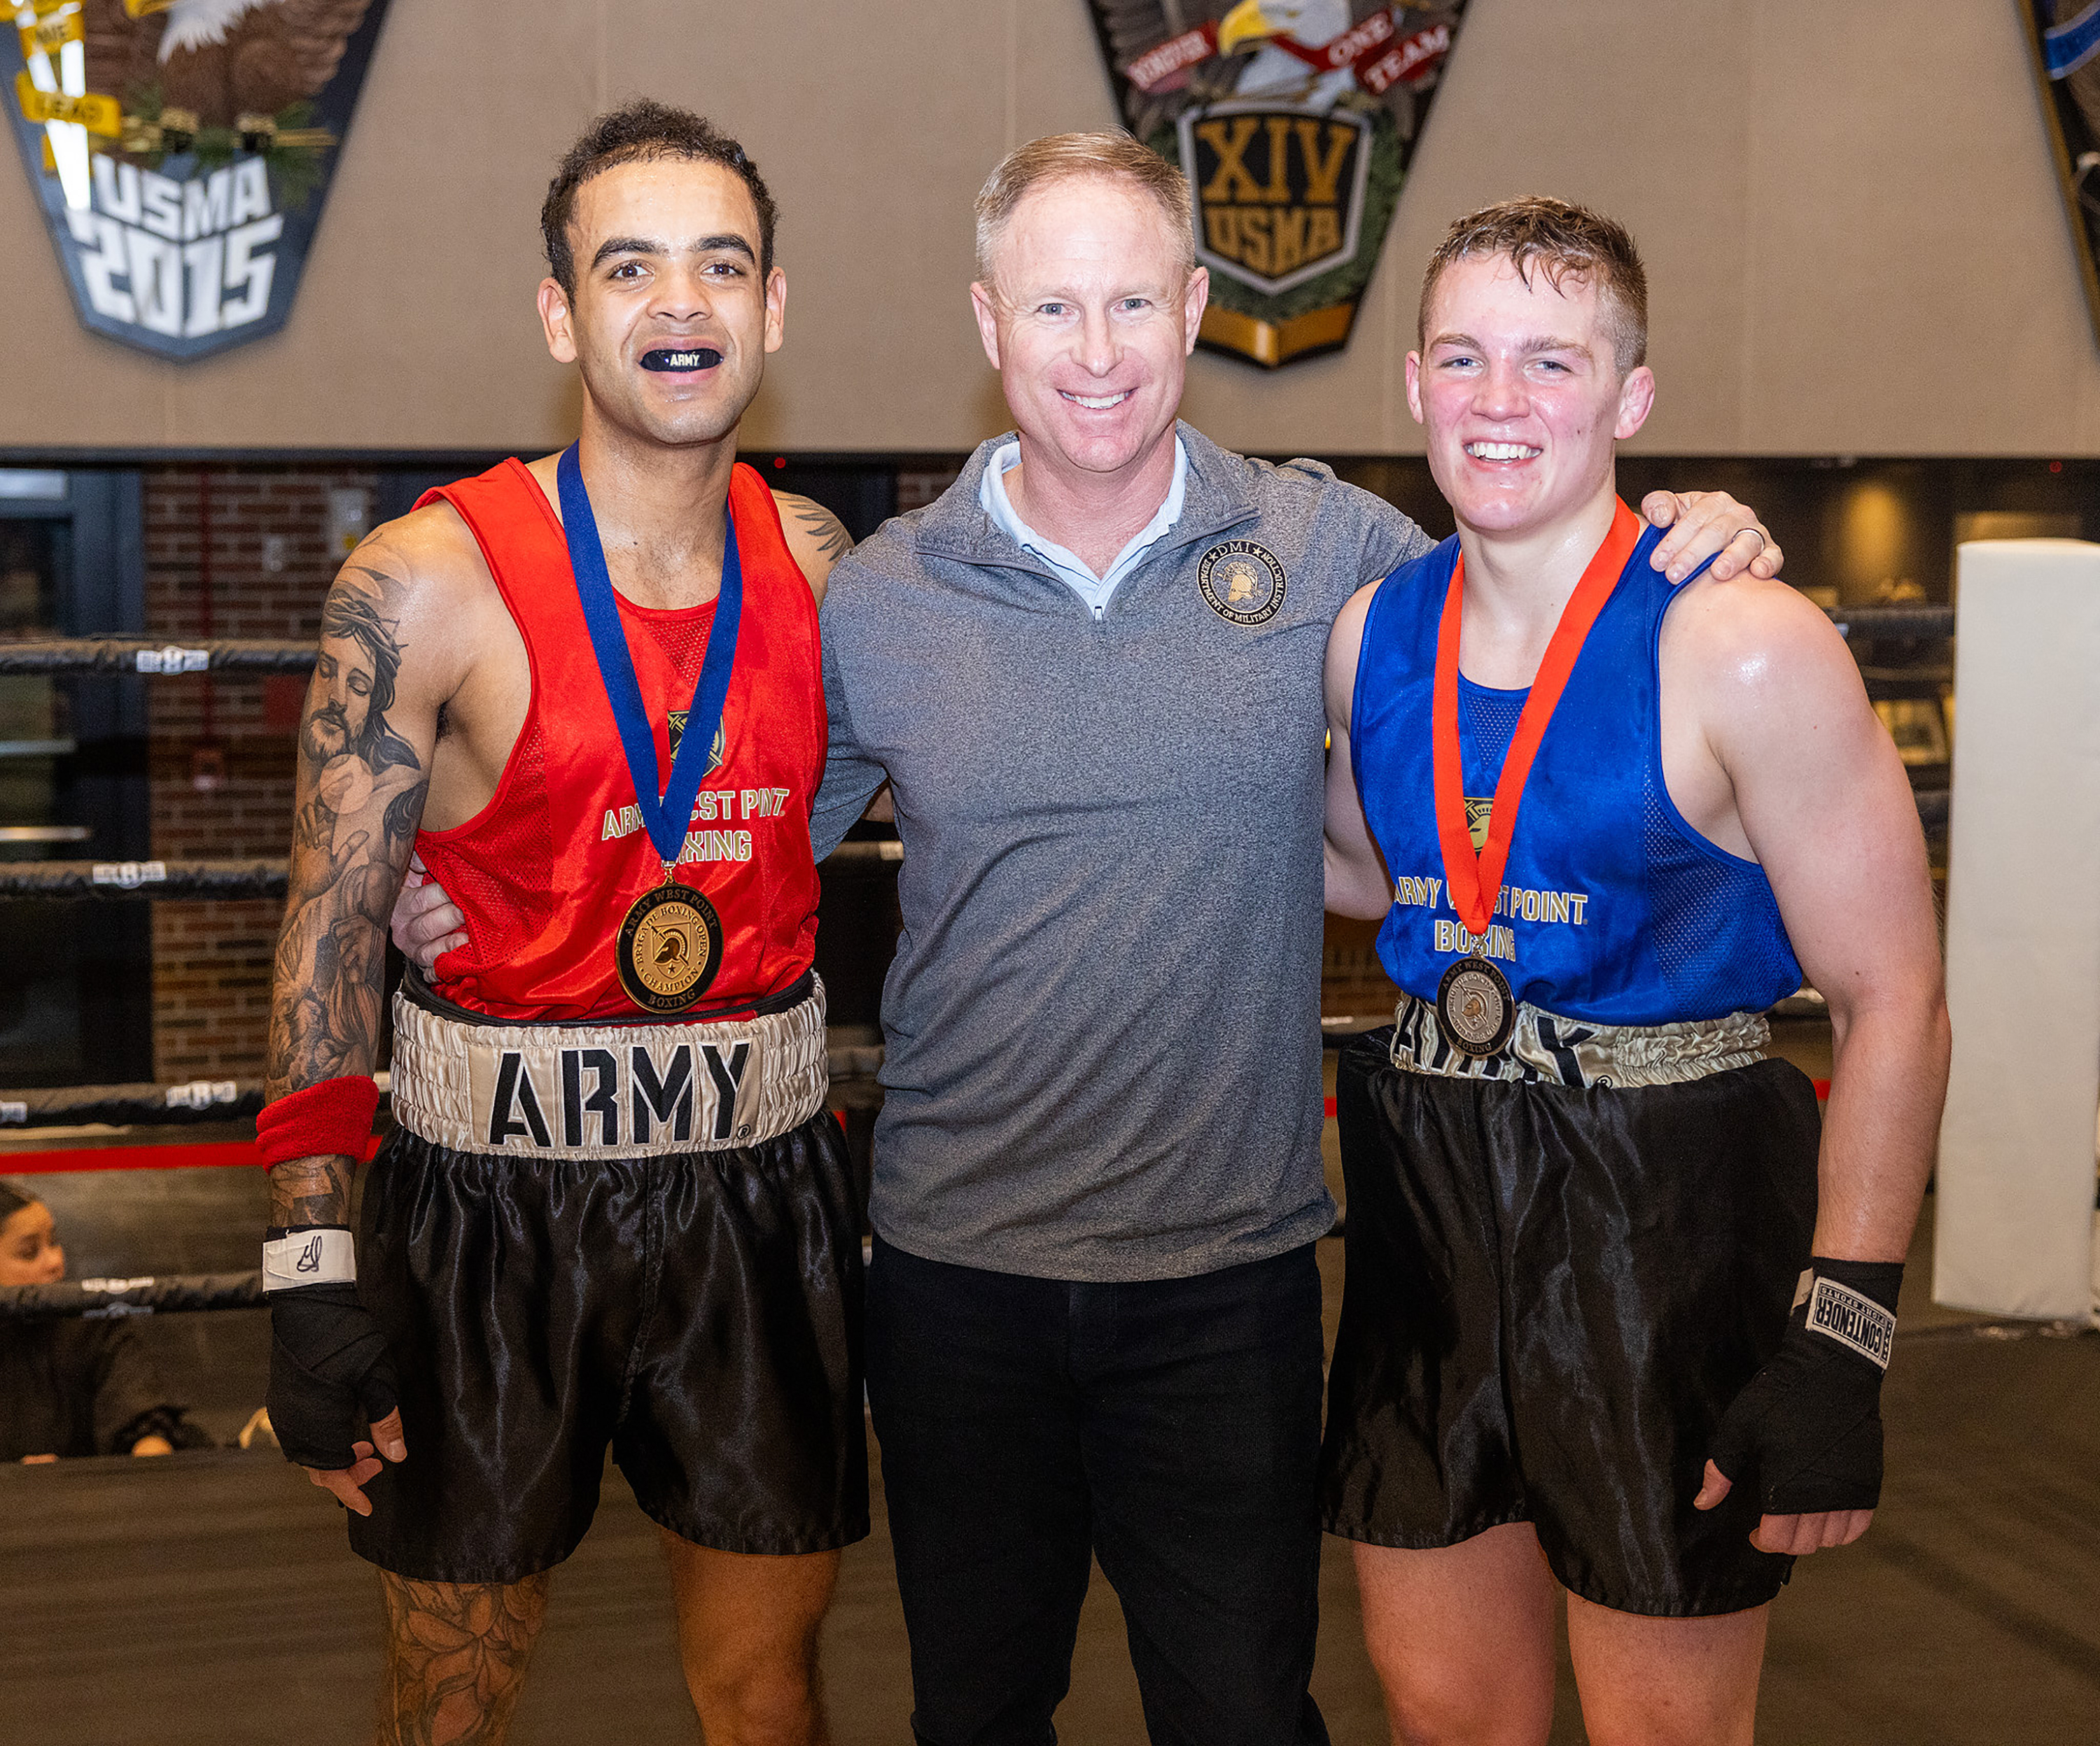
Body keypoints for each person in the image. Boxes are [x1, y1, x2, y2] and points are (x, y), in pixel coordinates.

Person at [396, 134, 1780, 1746]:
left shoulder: (1329, 550)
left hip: (1229, 1273)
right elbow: (731, 813)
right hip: (952, 1278)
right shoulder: (889, 593)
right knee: (978, 1715)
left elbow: (1535, 598)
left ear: (1194, 307)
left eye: (1133, 300)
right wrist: (478, 874)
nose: (1099, 351)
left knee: (1241, 1713)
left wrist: (1695, 526)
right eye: (1055, 308)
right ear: (989, 325)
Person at [260, 101, 863, 1746]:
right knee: (453, 1698)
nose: (680, 306)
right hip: (489, 1205)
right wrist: (309, 1262)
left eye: (719, 266)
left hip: (757, 1194)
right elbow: (327, 936)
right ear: (561, 313)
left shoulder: (815, 565)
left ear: (773, 308)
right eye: (630, 267)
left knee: (766, 1688)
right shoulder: (421, 581)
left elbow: (808, 820)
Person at [1319, 197, 1951, 1746]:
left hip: (1664, 1209)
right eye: (1464, 357)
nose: (1500, 399)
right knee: (1442, 1706)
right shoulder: (1366, 636)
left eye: (1551, 361)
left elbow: (1895, 1000)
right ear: (1414, 383)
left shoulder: (1741, 638)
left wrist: (1843, 1331)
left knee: (1661, 1725)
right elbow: (1364, 866)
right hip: (1434, 1194)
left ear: (1631, 398)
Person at [0, 1180, 205, 1462]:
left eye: (54, 1242)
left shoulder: (92, 1323)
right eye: (29, 1252)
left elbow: (137, 1403)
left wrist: (150, 1449)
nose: (55, 1261)